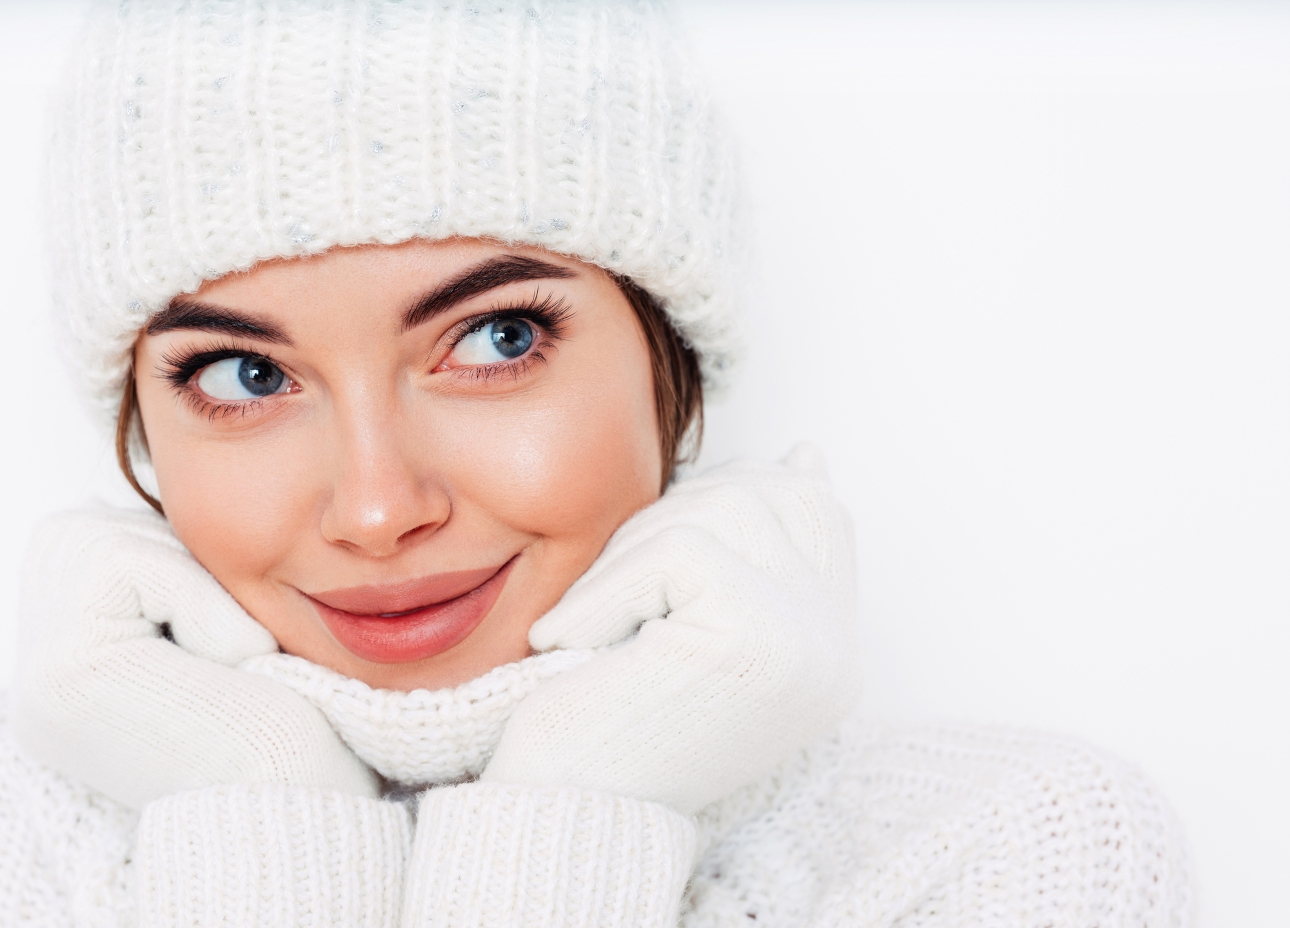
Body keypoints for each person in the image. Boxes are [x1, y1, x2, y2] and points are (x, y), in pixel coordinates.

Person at [0, 1, 1192, 925]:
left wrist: (583, 798)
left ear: (672, 358)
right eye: (246, 375)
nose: (376, 507)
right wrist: (253, 800)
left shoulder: (1005, 849)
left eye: (495, 340)